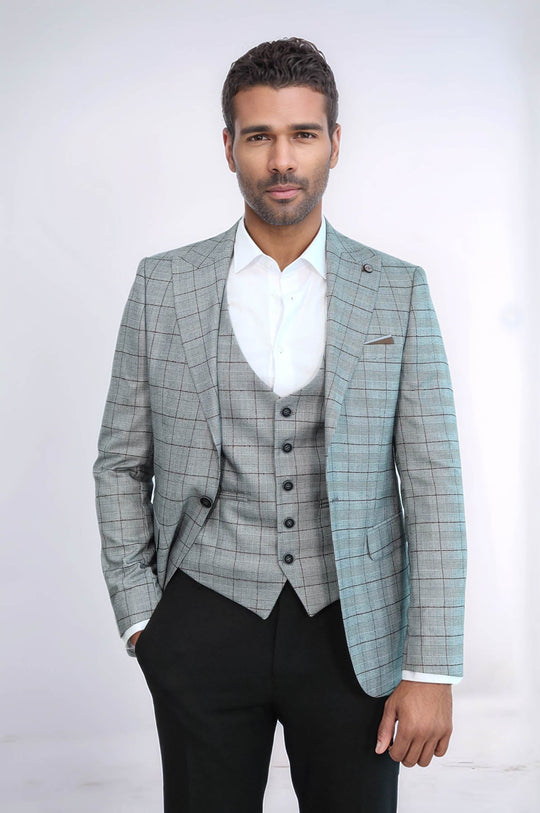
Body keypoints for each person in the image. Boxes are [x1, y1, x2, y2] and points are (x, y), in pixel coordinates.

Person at [93, 36, 467, 813]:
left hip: (353, 628)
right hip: (201, 614)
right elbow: (121, 463)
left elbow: (433, 482)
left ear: (336, 142)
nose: (283, 159)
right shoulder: (164, 285)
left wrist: (431, 666)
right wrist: (142, 618)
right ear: (229, 147)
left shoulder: (396, 290)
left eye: (303, 134)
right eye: (260, 136)